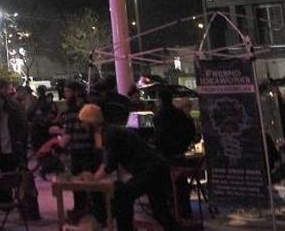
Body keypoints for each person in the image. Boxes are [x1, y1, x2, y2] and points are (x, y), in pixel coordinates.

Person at [81, 104, 178, 231]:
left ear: (91, 122)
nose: (82, 125)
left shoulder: (110, 134)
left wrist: (93, 179)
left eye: (83, 122)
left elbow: (109, 164)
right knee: (160, 212)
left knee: (123, 196)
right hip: (156, 167)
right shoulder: (110, 131)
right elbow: (109, 162)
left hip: (151, 169)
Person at [59, 81, 102, 224]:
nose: (65, 95)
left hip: (79, 153)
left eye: (67, 92)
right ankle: (97, 216)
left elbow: (67, 136)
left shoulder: (71, 112)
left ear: (76, 92)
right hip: (93, 153)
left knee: (78, 187)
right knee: (94, 186)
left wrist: (59, 140)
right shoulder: (92, 108)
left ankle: (80, 213)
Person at [153, 88, 199, 219]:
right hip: (180, 154)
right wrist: (184, 145)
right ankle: (185, 210)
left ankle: (172, 212)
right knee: (181, 185)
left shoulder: (159, 117)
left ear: (160, 100)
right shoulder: (180, 114)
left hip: (166, 156)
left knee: (168, 185)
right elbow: (191, 131)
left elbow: (159, 138)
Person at [0, 80, 27, 171]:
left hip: (11, 144)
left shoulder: (12, 113)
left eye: (1, 101)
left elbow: (21, 126)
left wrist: (19, 141)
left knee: (12, 169)